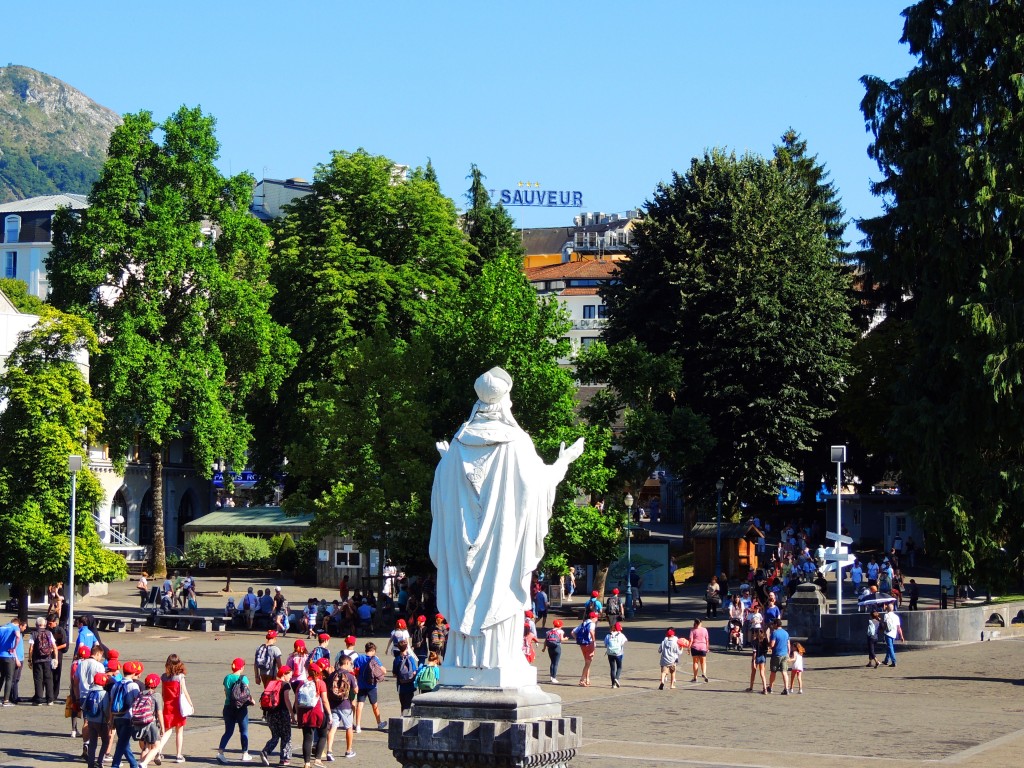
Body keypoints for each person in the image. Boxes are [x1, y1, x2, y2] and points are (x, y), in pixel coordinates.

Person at [429, 367, 584, 672]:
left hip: (462, 555)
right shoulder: (516, 443)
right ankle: (499, 661)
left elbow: (442, 500)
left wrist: (448, 463)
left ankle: (462, 661)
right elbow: (539, 486)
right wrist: (564, 461)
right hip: (500, 551)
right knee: (500, 593)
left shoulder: (457, 446)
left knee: (465, 597)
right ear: (504, 403)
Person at [216, 657, 253, 763]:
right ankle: (245, 753)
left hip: (228, 706)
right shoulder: (244, 678)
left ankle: (220, 752)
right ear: (242, 667)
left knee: (228, 731)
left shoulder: (227, 678)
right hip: (241, 707)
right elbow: (246, 694)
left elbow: (226, 692)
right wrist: (252, 701)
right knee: (244, 730)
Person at [257, 666, 294, 767]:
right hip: (282, 714)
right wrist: (292, 714)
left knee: (275, 736)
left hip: (271, 714)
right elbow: (287, 700)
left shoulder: (271, 683)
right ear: (283, 674)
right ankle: (284, 759)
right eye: (289, 675)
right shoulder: (285, 685)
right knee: (286, 736)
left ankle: (265, 751)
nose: (291, 677)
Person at [296, 658, 330, 768]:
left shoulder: (301, 683)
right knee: (323, 735)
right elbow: (324, 700)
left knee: (307, 738)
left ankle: (306, 763)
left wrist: (296, 714)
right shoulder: (321, 683)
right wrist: (329, 714)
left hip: (304, 713)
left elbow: (296, 701)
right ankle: (318, 759)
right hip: (317, 712)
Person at [324, 653, 358, 761]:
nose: (350, 666)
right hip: (346, 705)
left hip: (333, 705)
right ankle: (348, 750)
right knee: (349, 727)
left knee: (333, 728)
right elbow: (356, 690)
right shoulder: (350, 676)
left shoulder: (332, 675)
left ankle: (329, 751)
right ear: (347, 663)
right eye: (350, 664)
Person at [159, 653, 193, 762]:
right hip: (178, 706)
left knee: (166, 730)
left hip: (168, 706)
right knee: (179, 731)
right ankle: (178, 755)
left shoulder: (164, 677)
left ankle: (158, 751)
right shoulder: (180, 677)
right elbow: (184, 691)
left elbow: (163, 694)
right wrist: (191, 704)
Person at [110, 660, 143, 768]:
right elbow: (137, 703)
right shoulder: (133, 686)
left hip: (117, 716)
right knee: (122, 744)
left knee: (124, 743)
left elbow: (111, 702)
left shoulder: (116, 685)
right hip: (128, 718)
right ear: (134, 673)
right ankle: (115, 765)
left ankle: (133, 764)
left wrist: (111, 720)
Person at [353, 642, 388, 732]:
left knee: (360, 704)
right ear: (373, 650)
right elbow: (384, 671)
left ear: (366, 650)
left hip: (361, 684)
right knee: (374, 704)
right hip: (372, 685)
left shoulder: (359, 658)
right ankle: (379, 723)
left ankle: (358, 726)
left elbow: (355, 670)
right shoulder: (375, 659)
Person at [136, 673, 166, 768]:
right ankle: (143, 764)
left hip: (140, 723)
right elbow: (159, 713)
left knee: (146, 747)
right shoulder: (156, 695)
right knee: (157, 746)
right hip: (151, 723)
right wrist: (162, 727)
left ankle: (140, 763)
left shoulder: (140, 693)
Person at [84, 671, 112, 768]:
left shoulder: (90, 691)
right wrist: (108, 720)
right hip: (101, 721)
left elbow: (84, 707)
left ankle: (90, 764)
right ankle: (99, 761)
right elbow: (105, 708)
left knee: (93, 742)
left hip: (90, 721)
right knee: (106, 741)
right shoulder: (104, 693)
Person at [27, 616, 57, 705]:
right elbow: (54, 647)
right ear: (44, 624)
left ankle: (39, 699)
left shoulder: (34, 633)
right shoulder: (49, 633)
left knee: (38, 679)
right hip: (47, 659)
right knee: (48, 679)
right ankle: (50, 699)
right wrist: (56, 658)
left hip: (37, 659)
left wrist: (29, 659)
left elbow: (31, 648)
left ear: (37, 625)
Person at [392, 640, 418, 714]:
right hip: (410, 685)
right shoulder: (410, 658)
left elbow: (394, 674)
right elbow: (414, 671)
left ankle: (402, 717)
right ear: (407, 648)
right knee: (408, 704)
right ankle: (406, 718)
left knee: (403, 704)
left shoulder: (397, 659)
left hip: (401, 685)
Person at [767, 619, 790, 694]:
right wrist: (788, 653)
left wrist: (768, 644)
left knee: (773, 672)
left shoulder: (774, 633)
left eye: (773, 624)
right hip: (785, 654)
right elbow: (788, 644)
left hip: (776, 655)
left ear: (776, 624)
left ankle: (770, 687)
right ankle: (786, 688)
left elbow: (772, 645)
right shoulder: (786, 633)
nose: (772, 625)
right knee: (784, 672)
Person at [745, 628, 769, 694]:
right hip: (763, 657)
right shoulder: (765, 640)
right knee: (762, 673)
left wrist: (754, 661)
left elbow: (754, 652)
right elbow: (767, 649)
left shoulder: (754, 641)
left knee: (753, 672)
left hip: (757, 657)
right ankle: (765, 688)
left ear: (756, 634)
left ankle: (751, 687)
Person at [577, 611, 597, 687]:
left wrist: (578, 640)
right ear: (593, 617)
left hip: (582, 644)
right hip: (589, 643)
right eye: (596, 617)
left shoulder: (583, 623)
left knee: (587, 662)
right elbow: (592, 631)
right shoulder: (592, 624)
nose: (596, 619)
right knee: (588, 662)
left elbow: (573, 632)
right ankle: (582, 680)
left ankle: (587, 679)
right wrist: (594, 641)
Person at [881, 603, 904, 667]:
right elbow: (899, 627)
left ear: (887, 608)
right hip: (894, 633)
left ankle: (894, 661)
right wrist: (901, 636)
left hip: (887, 633)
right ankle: (886, 660)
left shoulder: (886, 615)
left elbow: (885, 625)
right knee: (890, 646)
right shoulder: (896, 617)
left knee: (890, 647)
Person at [604, 622, 627, 688]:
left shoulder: (608, 635)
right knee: (619, 667)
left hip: (610, 653)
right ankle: (616, 678)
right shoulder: (621, 635)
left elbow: (605, 644)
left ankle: (613, 684)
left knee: (612, 668)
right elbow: (624, 642)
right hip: (618, 653)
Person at [688, 618, 710, 683]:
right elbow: (707, 640)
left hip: (694, 647)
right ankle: (704, 673)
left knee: (695, 662)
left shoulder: (692, 630)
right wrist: (707, 647)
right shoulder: (705, 630)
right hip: (703, 647)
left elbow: (691, 640)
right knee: (703, 662)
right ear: (700, 623)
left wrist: (689, 648)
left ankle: (695, 677)